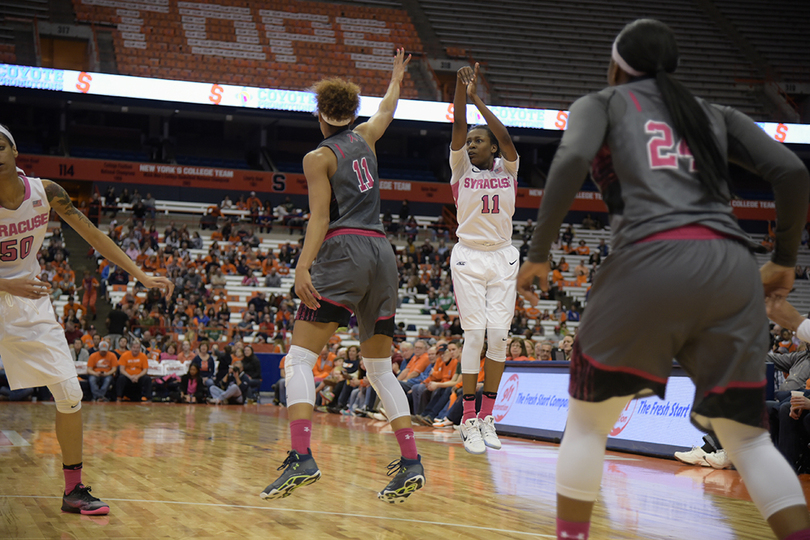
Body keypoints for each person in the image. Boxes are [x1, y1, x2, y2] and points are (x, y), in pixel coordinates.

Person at [516, 19, 810, 540]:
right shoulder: (715, 114)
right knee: (750, 443)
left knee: (587, 427)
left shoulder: (603, 103)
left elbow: (571, 159)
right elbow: (792, 172)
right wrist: (784, 258)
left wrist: (538, 251)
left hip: (649, 257)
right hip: (730, 265)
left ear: (617, 64)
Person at [260, 50, 426, 504]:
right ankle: (411, 462)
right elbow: (389, 107)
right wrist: (395, 77)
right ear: (353, 113)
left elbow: (317, 219)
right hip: (382, 252)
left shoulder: (318, 156)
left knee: (297, 361)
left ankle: (301, 457)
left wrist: (301, 266)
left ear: (320, 114)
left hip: (344, 249)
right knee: (379, 370)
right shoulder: (368, 137)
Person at [0, 124, 173, 516]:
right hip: (13, 288)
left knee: (70, 394)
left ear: (14, 152)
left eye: (0, 146)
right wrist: (8, 283)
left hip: (29, 302)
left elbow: (93, 235)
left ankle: (73, 490)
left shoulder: (46, 192)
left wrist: (141, 274)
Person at [449, 61, 519, 454]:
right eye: (470, 141)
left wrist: (479, 98)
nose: (472, 143)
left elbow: (505, 137)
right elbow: (459, 126)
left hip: (504, 258)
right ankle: (467, 417)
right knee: (474, 335)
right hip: (469, 257)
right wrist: (462, 92)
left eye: (480, 140)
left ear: (492, 147)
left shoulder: (508, 169)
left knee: (499, 339)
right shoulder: (460, 168)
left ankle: (488, 416)